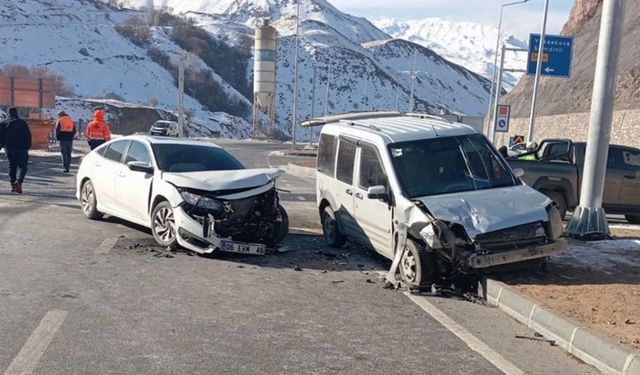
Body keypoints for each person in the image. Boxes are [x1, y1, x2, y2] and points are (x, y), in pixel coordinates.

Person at [0, 107, 31, 194]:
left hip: (9, 148)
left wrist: (1, 146)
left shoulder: (3, 123)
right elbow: (28, 135)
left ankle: (13, 184)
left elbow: (1, 137)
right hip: (22, 148)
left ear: (8, 113)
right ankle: (19, 181)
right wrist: (27, 146)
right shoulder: (22, 123)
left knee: (12, 166)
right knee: (23, 167)